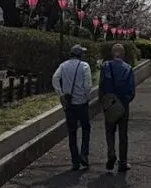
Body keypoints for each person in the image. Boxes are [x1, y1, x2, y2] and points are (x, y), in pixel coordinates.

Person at [52, 44, 92, 170]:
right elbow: (88, 85)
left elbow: (55, 78)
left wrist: (61, 94)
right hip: (81, 102)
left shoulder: (63, 65)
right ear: (80, 54)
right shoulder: (84, 66)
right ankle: (84, 154)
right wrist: (85, 96)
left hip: (69, 104)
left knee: (72, 132)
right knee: (86, 128)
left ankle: (75, 160)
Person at [99, 43, 136, 172]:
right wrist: (125, 100)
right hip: (123, 105)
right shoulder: (128, 68)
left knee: (109, 131)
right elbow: (132, 91)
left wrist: (104, 102)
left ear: (112, 53)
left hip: (109, 104)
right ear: (123, 54)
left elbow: (101, 86)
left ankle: (111, 154)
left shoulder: (105, 66)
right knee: (123, 134)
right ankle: (123, 162)